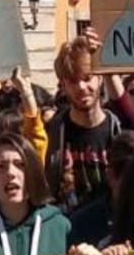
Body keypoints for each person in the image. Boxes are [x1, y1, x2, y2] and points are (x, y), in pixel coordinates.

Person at [45, 36, 119, 229]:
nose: (81, 87)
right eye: (72, 81)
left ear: (100, 78)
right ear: (63, 85)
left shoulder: (118, 129)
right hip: (69, 233)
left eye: (87, 78)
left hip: (114, 233)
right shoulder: (54, 131)